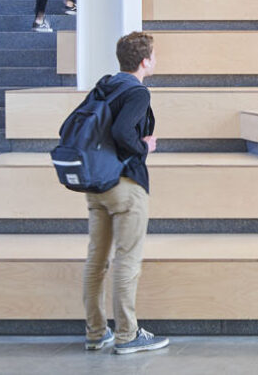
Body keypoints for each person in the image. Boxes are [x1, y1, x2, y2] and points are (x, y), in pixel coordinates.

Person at [83, 31, 169, 355]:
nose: (156, 60)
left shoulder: (105, 86)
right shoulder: (137, 92)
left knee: (96, 260)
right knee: (127, 260)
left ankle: (95, 332)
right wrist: (142, 146)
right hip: (125, 185)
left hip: (96, 184)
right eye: (154, 56)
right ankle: (126, 334)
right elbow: (121, 132)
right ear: (145, 61)